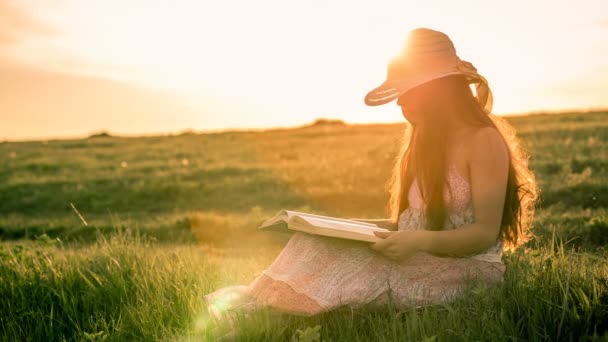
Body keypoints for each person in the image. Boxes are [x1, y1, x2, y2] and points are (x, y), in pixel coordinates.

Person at [203, 27, 538, 321]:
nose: (399, 104)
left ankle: (262, 316)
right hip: (420, 254)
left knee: (351, 267)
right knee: (310, 242)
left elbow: (483, 234)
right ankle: (258, 311)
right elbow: (409, 225)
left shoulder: (482, 141)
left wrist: (417, 241)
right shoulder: (425, 143)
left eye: (406, 92)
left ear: (435, 91)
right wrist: (339, 228)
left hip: (464, 270)